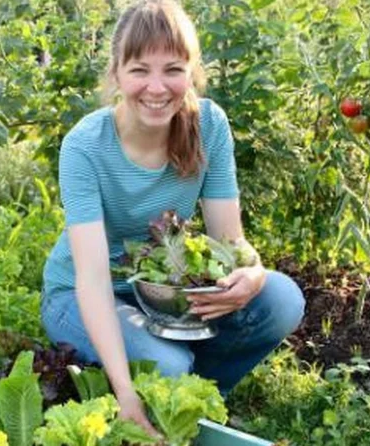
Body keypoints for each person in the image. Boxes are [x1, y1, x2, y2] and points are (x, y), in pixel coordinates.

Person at [39, 0, 306, 436]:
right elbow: (91, 280)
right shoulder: (85, 146)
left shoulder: (209, 127)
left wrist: (252, 272)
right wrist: (125, 391)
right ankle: (161, 395)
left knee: (280, 299)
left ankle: (187, 402)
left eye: (173, 69)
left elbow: (229, 240)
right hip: (80, 296)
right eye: (140, 69)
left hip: (165, 295)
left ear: (192, 72)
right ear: (117, 73)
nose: (157, 87)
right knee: (166, 362)